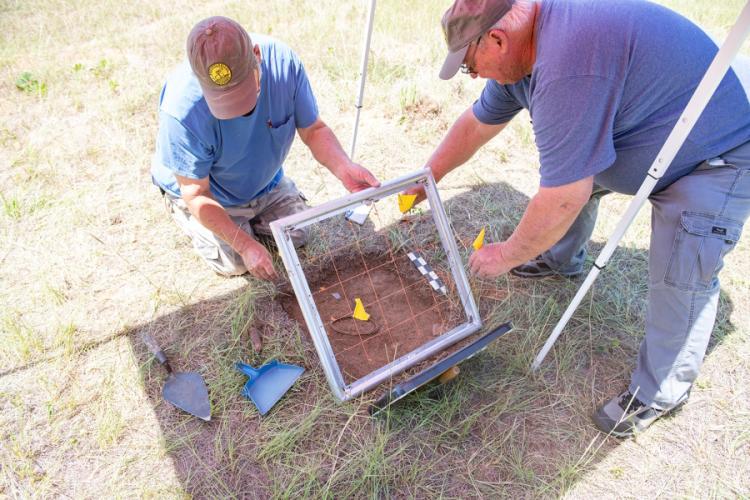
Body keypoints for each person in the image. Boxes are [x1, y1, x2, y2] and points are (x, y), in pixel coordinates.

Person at [417, 0, 750, 437]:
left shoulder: (568, 60)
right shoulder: (524, 55)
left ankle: (661, 391)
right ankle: (560, 260)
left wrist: (507, 254)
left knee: (681, 272)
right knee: (576, 176)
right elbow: (476, 124)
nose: (474, 77)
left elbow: (562, 197)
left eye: (469, 66)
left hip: (714, 156)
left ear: (497, 39)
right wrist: (428, 176)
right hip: (647, 134)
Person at [152, 16, 379, 280]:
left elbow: (313, 130)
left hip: (266, 183)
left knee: (299, 234)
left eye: (244, 92)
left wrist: (344, 168)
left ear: (257, 56)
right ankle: (187, 217)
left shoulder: (284, 64)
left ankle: (257, 213)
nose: (239, 109)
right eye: (225, 100)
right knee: (237, 262)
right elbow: (196, 192)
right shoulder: (181, 110)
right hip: (211, 193)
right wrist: (245, 245)